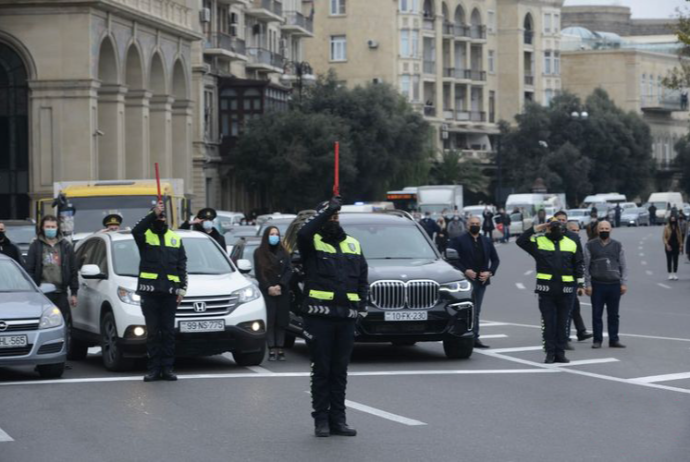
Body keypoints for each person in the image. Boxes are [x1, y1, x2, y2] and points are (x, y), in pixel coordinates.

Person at [297, 196, 368, 438]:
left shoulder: (353, 244)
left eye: (336, 216)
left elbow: (362, 279)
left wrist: (362, 308)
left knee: (340, 371)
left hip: (346, 318)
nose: (334, 220)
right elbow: (304, 233)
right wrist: (326, 211)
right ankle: (321, 420)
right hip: (319, 319)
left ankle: (339, 419)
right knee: (322, 369)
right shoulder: (312, 242)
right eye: (330, 217)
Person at [132, 202, 188, 382]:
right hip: (150, 293)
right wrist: (152, 213)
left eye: (162, 217)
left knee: (169, 333)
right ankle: (154, 369)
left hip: (170, 293)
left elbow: (182, 265)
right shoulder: (145, 236)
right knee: (154, 333)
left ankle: (168, 369)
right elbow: (135, 230)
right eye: (157, 216)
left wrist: (182, 290)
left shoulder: (175, 238)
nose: (160, 219)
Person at [517, 217, 584, 364]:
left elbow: (578, 263)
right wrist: (539, 227)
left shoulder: (571, 242)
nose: (554, 229)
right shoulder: (539, 241)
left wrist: (580, 285)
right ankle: (549, 353)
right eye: (552, 226)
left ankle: (560, 353)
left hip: (566, 289)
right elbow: (521, 240)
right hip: (546, 289)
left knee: (562, 323)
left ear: (563, 228)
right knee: (548, 323)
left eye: (557, 226)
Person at [25, 215, 79, 350]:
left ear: (57, 228)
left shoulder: (65, 246)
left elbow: (73, 270)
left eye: (53, 227)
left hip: (60, 292)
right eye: (47, 227)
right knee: (44, 327)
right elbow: (29, 269)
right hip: (42, 294)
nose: (50, 229)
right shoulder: (36, 246)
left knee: (63, 326)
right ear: (42, 228)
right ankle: (43, 356)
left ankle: (61, 356)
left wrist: (74, 292)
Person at [447, 216, 500, 349]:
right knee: (464, 309)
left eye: (477, 223)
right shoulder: (458, 240)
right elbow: (452, 259)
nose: (475, 225)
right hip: (465, 281)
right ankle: (462, 336)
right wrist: (465, 271)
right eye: (472, 224)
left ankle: (475, 338)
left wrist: (489, 272)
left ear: (480, 225)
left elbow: (495, 260)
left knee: (476, 310)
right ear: (467, 225)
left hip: (481, 281)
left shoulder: (486, 241)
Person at [584, 220, 627, 349]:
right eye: (601, 228)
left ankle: (614, 339)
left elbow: (623, 265)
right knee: (597, 314)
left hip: (614, 284)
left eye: (606, 228)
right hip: (597, 284)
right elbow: (586, 266)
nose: (604, 230)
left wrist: (623, 283)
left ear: (611, 229)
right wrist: (588, 284)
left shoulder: (617, 245)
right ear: (597, 230)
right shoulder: (590, 245)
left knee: (614, 314)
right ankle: (597, 340)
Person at [254, 226, 293, 361]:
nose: (274, 236)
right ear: (266, 236)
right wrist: (269, 287)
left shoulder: (285, 252)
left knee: (281, 321)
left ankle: (280, 348)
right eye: (272, 234)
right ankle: (271, 348)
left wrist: (280, 285)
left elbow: (289, 270)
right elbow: (260, 273)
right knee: (270, 320)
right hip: (267, 292)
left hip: (282, 291)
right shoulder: (259, 253)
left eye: (276, 234)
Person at [565, 220, 594, 344]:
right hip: (562, 281)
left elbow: (580, 264)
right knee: (568, 308)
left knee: (574, 306)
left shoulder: (578, 243)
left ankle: (580, 331)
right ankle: (566, 334)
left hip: (573, 280)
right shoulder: (563, 243)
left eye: (577, 230)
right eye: (573, 230)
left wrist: (581, 284)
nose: (576, 233)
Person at [663, 215, 683, 280]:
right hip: (669, 245)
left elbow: (680, 237)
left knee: (675, 260)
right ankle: (670, 274)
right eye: (672, 219)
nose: (673, 221)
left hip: (676, 245)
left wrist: (680, 246)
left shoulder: (678, 228)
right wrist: (667, 245)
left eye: (674, 219)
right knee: (669, 260)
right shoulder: (666, 227)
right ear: (670, 220)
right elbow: (664, 237)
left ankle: (674, 273)